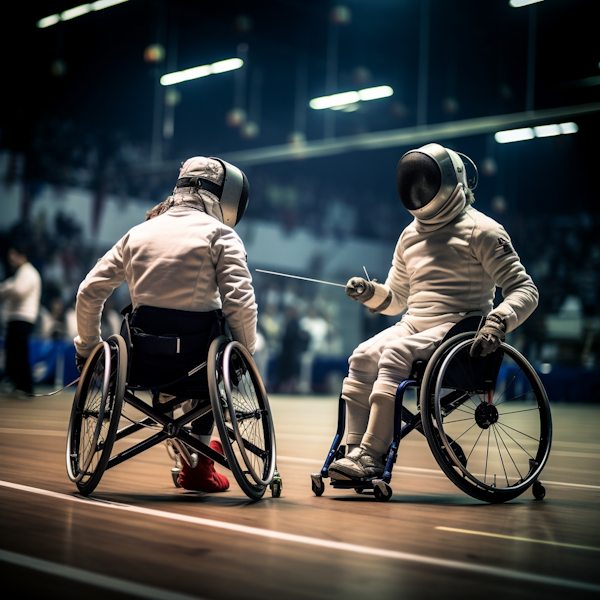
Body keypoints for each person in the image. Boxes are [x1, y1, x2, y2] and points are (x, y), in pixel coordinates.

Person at [328, 143, 539, 481]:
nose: (418, 186)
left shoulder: (483, 230)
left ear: (450, 179)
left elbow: (525, 289)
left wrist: (498, 322)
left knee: (395, 352)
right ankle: (353, 451)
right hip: (414, 324)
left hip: (460, 328)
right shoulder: (409, 235)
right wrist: (371, 292)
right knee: (362, 355)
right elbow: (397, 299)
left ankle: (371, 454)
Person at [73, 156, 257, 492]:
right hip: (199, 366)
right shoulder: (222, 235)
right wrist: (245, 354)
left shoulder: (137, 234)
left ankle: (191, 451)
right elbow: (240, 303)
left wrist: (87, 350)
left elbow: (88, 292)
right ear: (226, 194)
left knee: (166, 338)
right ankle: (198, 458)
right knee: (220, 336)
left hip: (142, 363)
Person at [0, 244, 42, 396]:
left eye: (13, 255)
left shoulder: (28, 272)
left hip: (22, 318)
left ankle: (25, 386)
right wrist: (8, 288)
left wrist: (6, 289)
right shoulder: (22, 272)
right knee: (13, 352)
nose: (10, 258)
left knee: (19, 353)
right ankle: (17, 384)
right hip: (17, 317)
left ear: (21, 255)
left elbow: (18, 291)